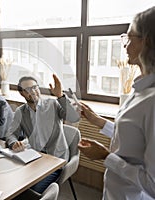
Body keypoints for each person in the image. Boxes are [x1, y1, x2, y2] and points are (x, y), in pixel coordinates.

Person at [78, 6, 155, 199]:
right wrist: (97, 121)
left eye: (129, 38)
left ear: (146, 42)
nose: (125, 46)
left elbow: (152, 185)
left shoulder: (152, 101)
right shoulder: (140, 89)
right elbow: (134, 138)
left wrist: (105, 156)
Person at [6, 74, 80, 194]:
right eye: (28, 90)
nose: (34, 91)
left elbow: (74, 117)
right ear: (22, 93)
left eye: (35, 87)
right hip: (34, 156)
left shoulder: (53, 104)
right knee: (14, 184)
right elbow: (11, 133)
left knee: (32, 191)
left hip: (55, 159)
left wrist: (60, 96)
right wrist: (14, 143)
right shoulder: (21, 112)